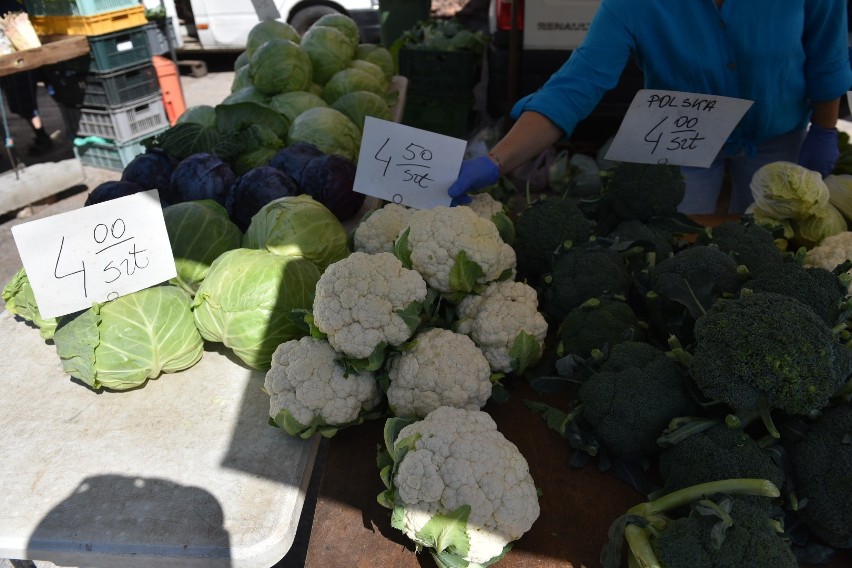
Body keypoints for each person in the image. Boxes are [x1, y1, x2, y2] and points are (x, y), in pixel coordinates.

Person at [448, 0, 852, 214]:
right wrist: (497, 161)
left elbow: (827, 53)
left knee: (773, 247)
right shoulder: (632, 3)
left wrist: (824, 130)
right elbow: (574, 86)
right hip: (681, 139)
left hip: (776, 133)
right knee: (682, 247)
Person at [0, 0, 54, 156]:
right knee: (20, 103)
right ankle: (40, 136)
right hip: (12, 63)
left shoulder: (11, 7)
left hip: (20, 63)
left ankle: (42, 137)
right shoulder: (14, 5)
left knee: (25, 102)